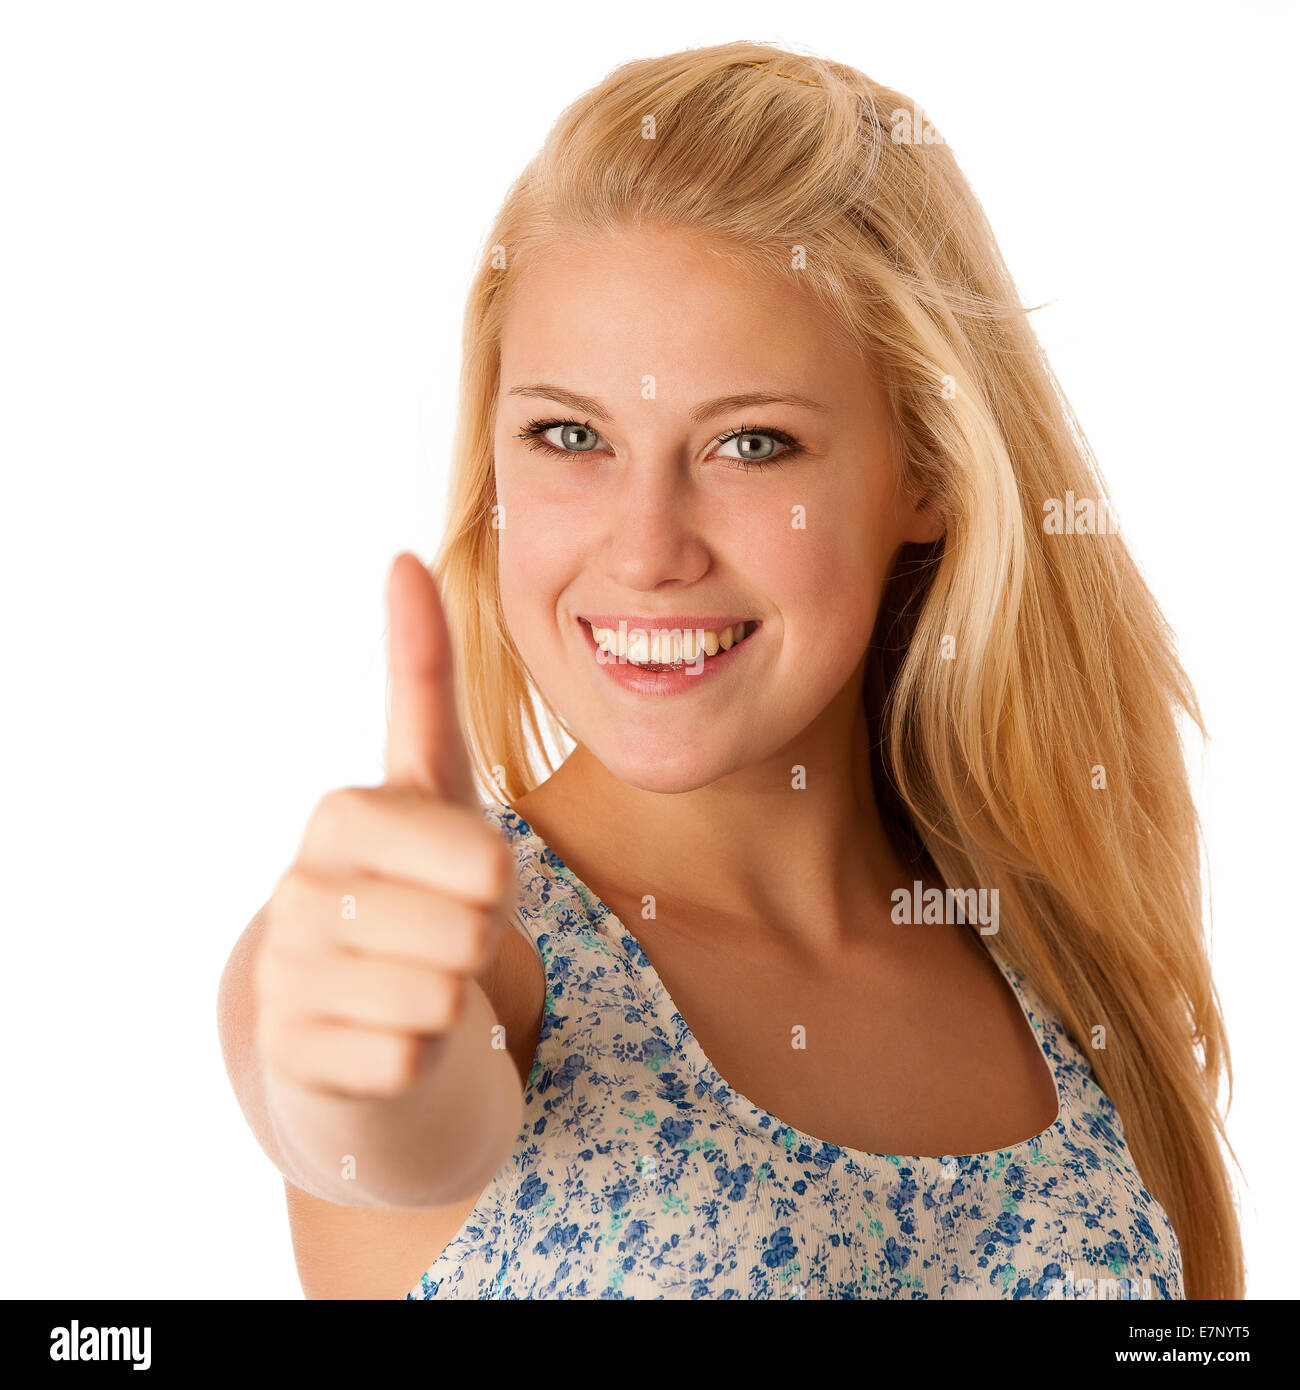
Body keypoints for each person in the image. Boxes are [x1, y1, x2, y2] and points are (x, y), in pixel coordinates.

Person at [217, 40, 1244, 1300]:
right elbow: (358, 1114)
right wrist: (331, 1043)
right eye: (569, 434)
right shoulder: (482, 964)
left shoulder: (1048, 963)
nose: (646, 550)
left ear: (926, 471)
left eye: (751, 443)